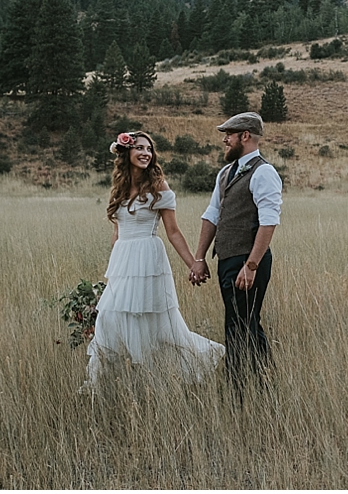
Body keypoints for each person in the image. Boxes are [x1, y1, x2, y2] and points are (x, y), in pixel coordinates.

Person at [84, 131, 224, 390]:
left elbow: (173, 231)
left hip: (148, 259)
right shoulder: (120, 187)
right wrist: (113, 274)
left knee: (151, 323)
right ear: (126, 152)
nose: (145, 153)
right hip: (123, 262)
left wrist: (194, 263)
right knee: (109, 318)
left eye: (148, 148)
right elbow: (117, 234)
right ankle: (114, 384)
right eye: (138, 148)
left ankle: (166, 378)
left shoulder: (159, 186)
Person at [189, 112, 282, 388]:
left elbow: (269, 221)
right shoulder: (225, 172)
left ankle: (237, 388)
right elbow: (212, 215)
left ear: (245, 136)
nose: (224, 140)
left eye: (229, 134)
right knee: (245, 321)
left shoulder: (264, 172)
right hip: (229, 260)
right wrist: (199, 257)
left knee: (239, 324)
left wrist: (251, 265)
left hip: (248, 261)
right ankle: (265, 384)